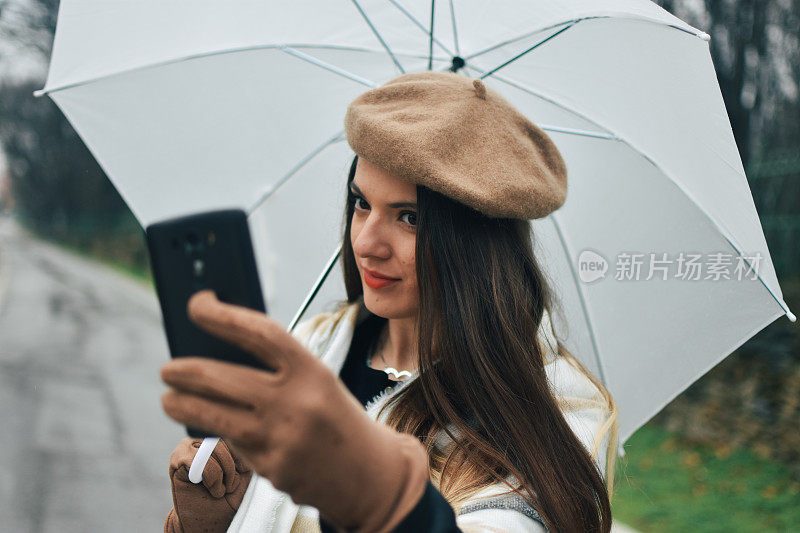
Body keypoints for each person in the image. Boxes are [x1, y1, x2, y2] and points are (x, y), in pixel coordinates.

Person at [160, 71, 618, 533]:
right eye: (361, 203)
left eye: (410, 217)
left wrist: (377, 497)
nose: (366, 242)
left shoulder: (555, 412)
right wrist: (217, 521)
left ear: (479, 247)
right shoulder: (313, 344)